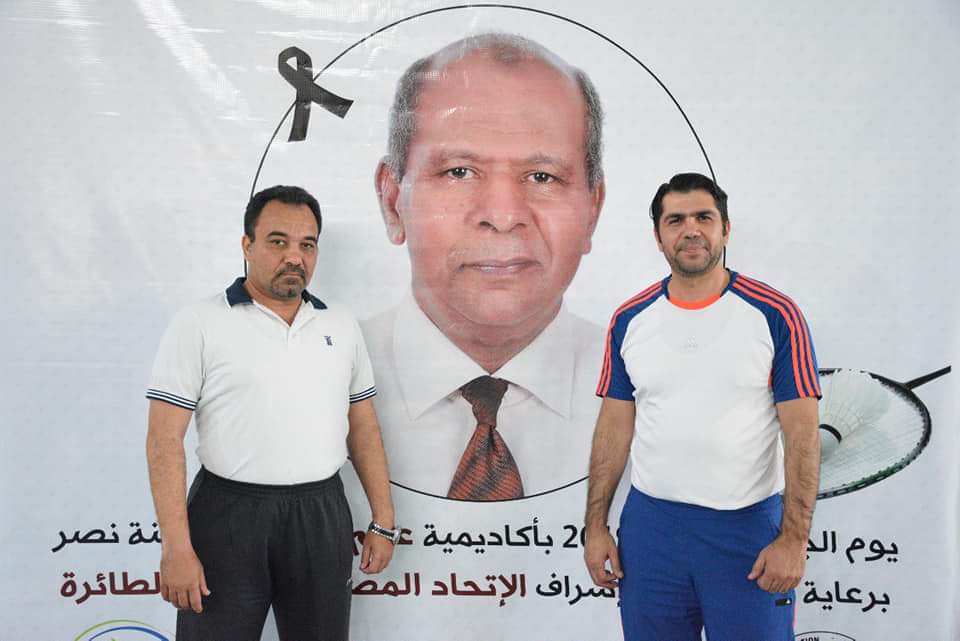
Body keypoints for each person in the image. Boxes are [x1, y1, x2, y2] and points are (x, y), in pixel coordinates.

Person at [145, 185, 398, 641]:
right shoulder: (199, 323)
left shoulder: (340, 324)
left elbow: (362, 427)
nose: (294, 257)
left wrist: (383, 519)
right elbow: (164, 440)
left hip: (320, 514)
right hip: (227, 514)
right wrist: (176, 548)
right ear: (247, 245)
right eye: (278, 242)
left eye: (307, 245)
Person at [366, 32, 606, 500]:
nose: (501, 216)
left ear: (592, 210)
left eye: (542, 176)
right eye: (458, 171)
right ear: (393, 200)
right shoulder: (315, 380)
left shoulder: (655, 387)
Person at [583, 173, 821, 640]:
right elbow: (613, 428)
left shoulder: (775, 315)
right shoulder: (629, 319)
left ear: (725, 230)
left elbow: (803, 435)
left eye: (703, 218)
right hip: (651, 532)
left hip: (746, 530)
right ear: (658, 236)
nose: (690, 230)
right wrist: (595, 526)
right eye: (675, 220)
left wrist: (794, 540)